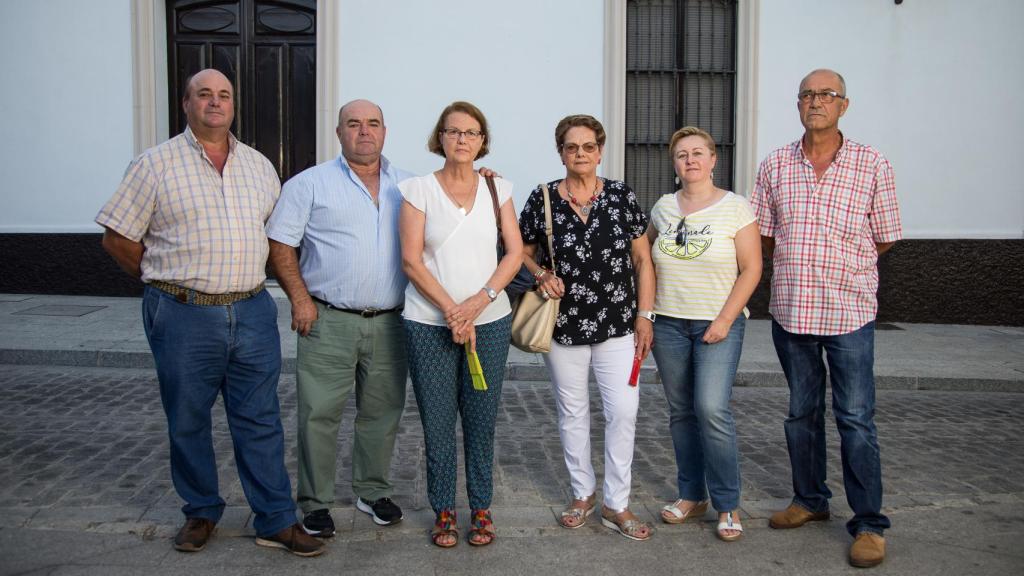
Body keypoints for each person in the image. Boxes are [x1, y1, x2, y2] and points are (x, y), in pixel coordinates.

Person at [95, 69, 323, 557]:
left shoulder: (259, 166)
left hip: (252, 310)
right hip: (182, 314)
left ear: (233, 106)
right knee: (188, 418)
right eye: (205, 94)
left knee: (260, 419)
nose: (215, 103)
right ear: (186, 103)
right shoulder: (153, 164)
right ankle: (201, 510)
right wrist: (162, 279)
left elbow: (278, 238)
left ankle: (276, 519)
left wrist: (296, 293)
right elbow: (116, 238)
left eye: (224, 96)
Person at [751, 69, 901, 568]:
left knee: (856, 418)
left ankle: (869, 523)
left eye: (826, 95)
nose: (816, 102)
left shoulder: (871, 163)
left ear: (844, 105)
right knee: (801, 413)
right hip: (792, 309)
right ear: (798, 105)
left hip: (849, 309)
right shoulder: (775, 164)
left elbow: (885, 233)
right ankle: (810, 500)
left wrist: (846, 264)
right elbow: (763, 235)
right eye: (808, 95)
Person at [266, 100, 411, 536]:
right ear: (338, 132)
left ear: (385, 131)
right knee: (318, 413)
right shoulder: (308, 184)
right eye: (353, 124)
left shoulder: (410, 186)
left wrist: (483, 178)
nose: (363, 131)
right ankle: (315, 502)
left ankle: (372, 491)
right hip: (327, 318)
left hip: (392, 320)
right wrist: (299, 299)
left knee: (382, 412)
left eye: (372, 123)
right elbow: (281, 246)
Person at [519, 114, 655, 541]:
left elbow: (642, 260)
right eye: (572, 147)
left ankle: (617, 502)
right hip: (564, 325)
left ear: (600, 151)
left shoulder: (620, 196)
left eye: (588, 146)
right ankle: (583, 493)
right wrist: (540, 274)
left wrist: (645, 315)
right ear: (561, 152)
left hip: (618, 326)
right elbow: (519, 254)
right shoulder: (541, 198)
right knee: (572, 412)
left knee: (623, 412)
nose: (581, 154)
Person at [399, 101, 523, 548]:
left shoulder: (499, 189)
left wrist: (477, 303)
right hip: (428, 323)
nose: (462, 140)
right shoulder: (416, 190)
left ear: (483, 141)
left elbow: (513, 252)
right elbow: (411, 260)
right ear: (440, 138)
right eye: (453, 132)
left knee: (481, 418)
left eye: (471, 133)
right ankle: (445, 510)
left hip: (489, 322)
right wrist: (453, 310)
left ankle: (482, 507)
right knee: (436, 420)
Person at [648, 126, 762, 542]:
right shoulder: (662, 208)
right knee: (681, 412)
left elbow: (751, 268)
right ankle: (691, 495)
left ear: (714, 160)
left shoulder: (735, 207)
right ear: (675, 164)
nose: (690, 160)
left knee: (712, 408)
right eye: (682, 154)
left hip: (719, 323)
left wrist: (725, 320)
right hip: (669, 323)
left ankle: (728, 503)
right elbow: (645, 261)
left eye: (698, 153)